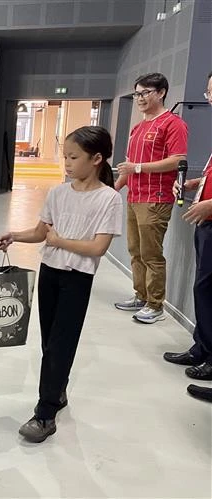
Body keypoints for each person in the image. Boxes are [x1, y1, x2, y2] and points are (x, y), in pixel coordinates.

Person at [0, 126, 123, 443]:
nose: (66, 163)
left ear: (96, 159)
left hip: (77, 279)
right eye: (65, 156)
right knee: (49, 342)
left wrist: (60, 240)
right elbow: (41, 233)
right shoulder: (58, 193)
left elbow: (97, 248)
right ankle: (57, 391)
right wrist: (14, 235)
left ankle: (45, 414)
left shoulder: (109, 199)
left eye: (73, 157)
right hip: (50, 272)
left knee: (60, 345)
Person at [113, 73, 188, 324]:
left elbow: (178, 159)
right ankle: (141, 295)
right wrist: (115, 188)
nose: (140, 98)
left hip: (155, 198)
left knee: (151, 253)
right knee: (135, 250)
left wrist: (139, 168)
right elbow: (128, 167)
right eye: (137, 94)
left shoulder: (172, 124)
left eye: (145, 92)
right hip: (134, 197)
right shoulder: (138, 127)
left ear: (161, 92)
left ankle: (155, 305)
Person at [164, 71, 212, 400]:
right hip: (206, 223)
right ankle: (202, 348)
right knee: (204, 288)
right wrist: (197, 185)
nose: (209, 97)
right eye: (208, 90)